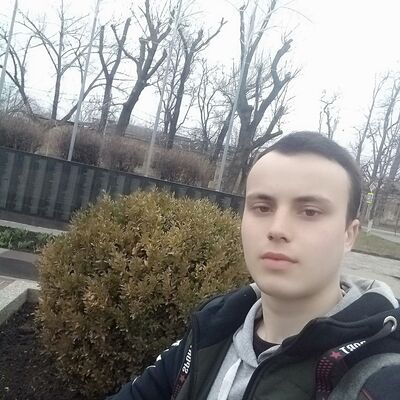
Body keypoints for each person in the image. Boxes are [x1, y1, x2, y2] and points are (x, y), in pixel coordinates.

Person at [108, 131, 400, 400]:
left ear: (349, 234)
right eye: (262, 207)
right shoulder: (212, 330)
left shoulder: (381, 371)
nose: (277, 229)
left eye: (309, 212)